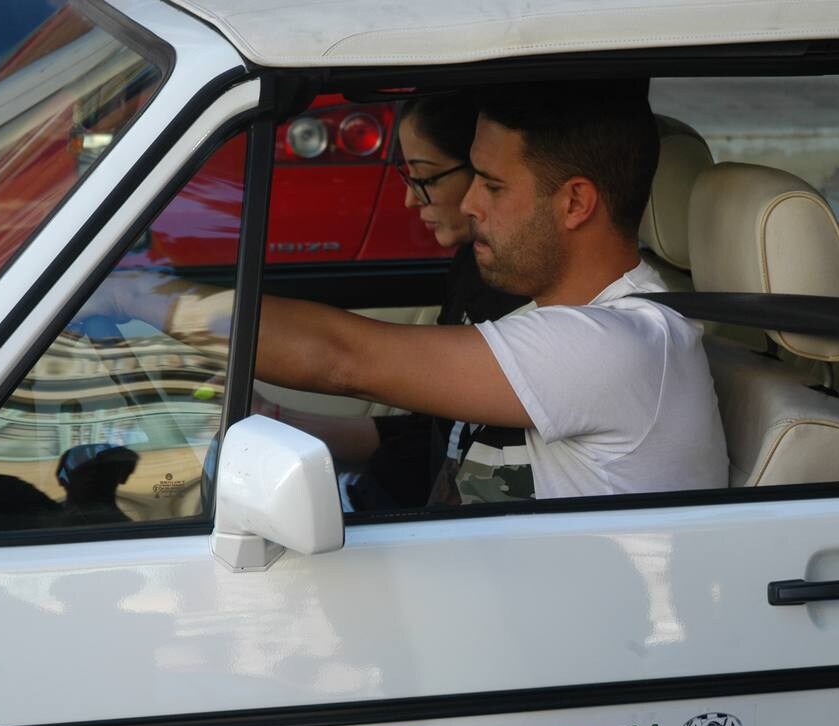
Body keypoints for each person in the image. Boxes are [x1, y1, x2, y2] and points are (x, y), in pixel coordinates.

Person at [254, 81, 729, 499]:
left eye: (493, 186)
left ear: (575, 203)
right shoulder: (552, 317)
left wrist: (184, 310)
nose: (469, 203)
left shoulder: (621, 345)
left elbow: (339, 358)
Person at [263, 92, 530, 508]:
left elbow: (340, 360)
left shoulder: (549, 320)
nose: (409, 198)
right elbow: (433, 432)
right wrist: (277, 420)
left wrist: (173, 308)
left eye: (426, 177)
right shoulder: (471, 270)